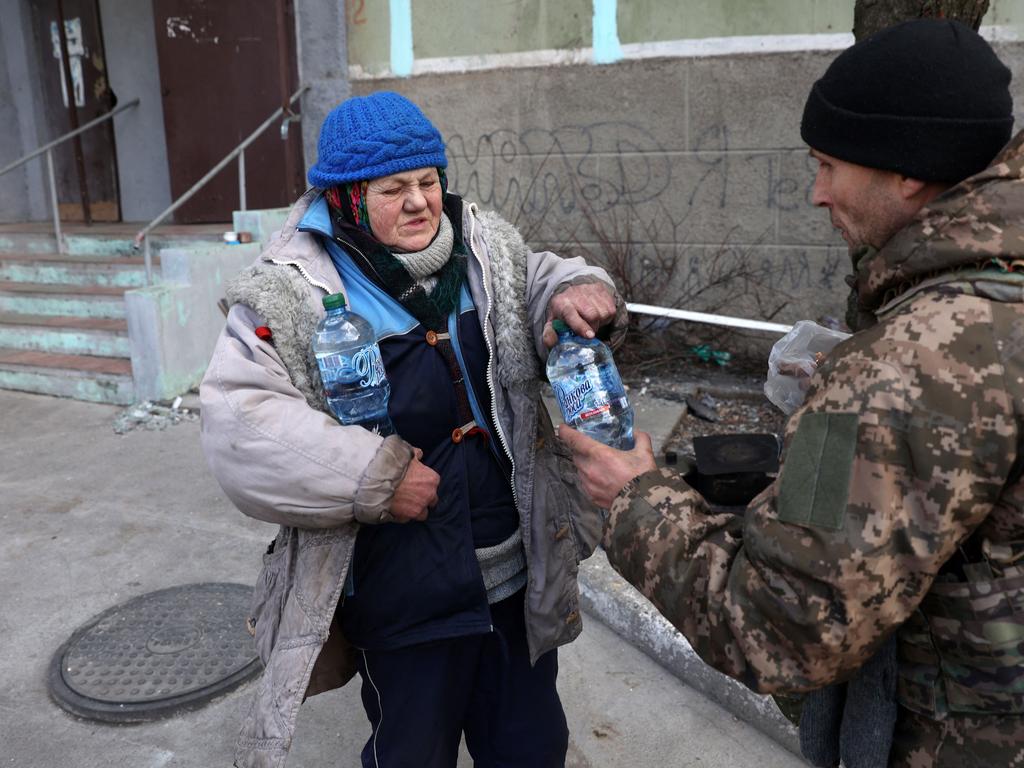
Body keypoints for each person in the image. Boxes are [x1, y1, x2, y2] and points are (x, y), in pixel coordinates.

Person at [561, 19, 1024, 768]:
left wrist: (633, 498)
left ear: (907, 171)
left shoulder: (901, 369)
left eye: (828, 164)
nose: (816, 193)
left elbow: (779, 628)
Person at [199, 91, 623, 768]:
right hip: (400, 595)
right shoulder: (294, 290)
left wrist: (577, 289)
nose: (421, 201)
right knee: (411, 752)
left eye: (428, 182)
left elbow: (546, 279)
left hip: (512, 577)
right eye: (394, 188)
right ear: (343, 200)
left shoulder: (485, 249)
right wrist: (373, 476)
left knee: (531, 745)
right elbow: (238, 423)